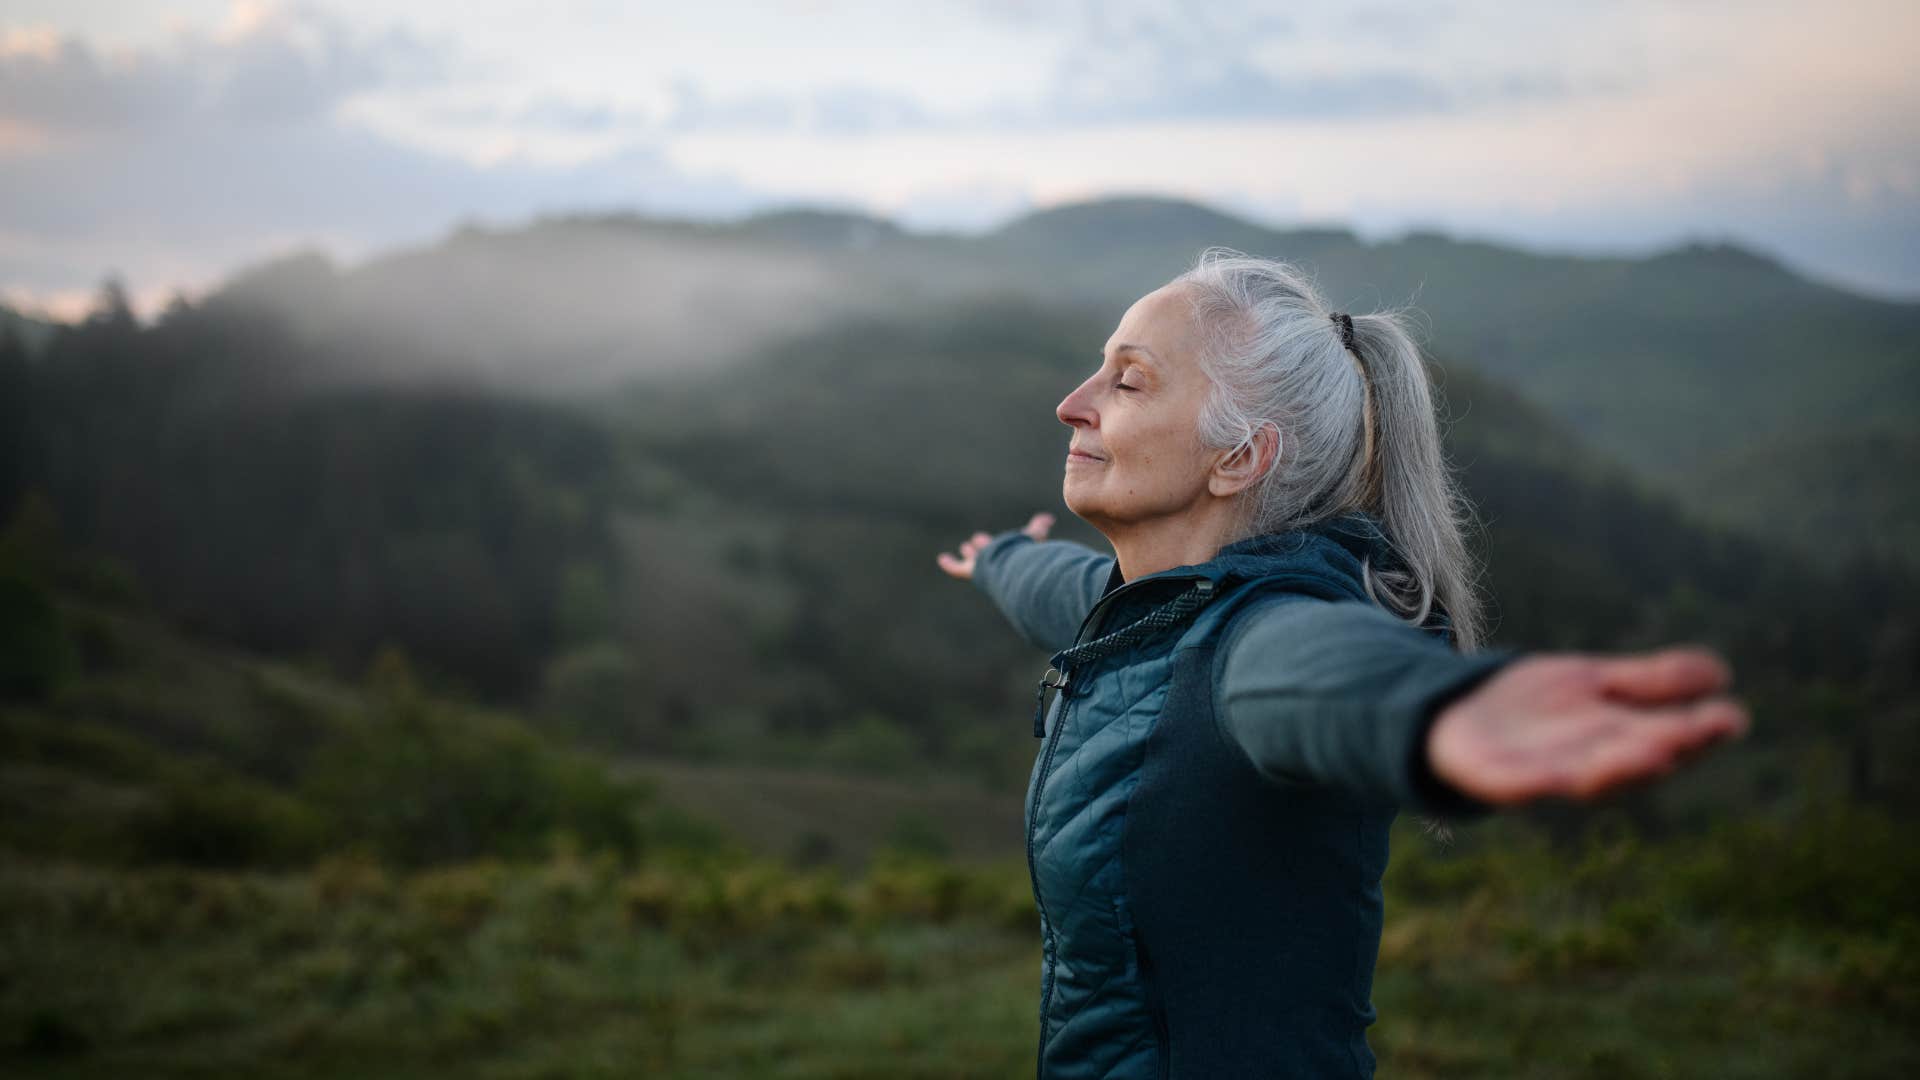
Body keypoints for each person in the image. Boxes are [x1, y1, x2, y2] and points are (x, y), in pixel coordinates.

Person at [934, 249, 1749, 1079]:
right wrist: (999, 560)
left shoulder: (1252, 637)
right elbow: (1070, 591)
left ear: (1238, 458)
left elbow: (1317, 671)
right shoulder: (1159, 609)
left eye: (1129, 382)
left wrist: (1435, 708)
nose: (1072, 403)